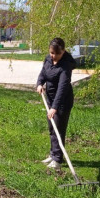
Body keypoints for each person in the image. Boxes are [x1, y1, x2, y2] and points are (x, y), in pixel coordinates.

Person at [36, 37, 76, 169]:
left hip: (62, 101)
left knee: (59, 129)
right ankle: (53, 154)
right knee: (52, 129)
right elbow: (43, 73)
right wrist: (40, 84)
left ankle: (58, 159)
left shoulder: (66, 65)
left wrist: (55, 107)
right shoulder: (48, 59)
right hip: (50, 99)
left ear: (63, 51)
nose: (53, 56)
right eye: (51, 53)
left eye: (56, 54)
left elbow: (63, 87)